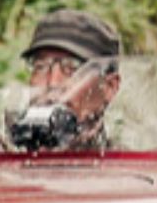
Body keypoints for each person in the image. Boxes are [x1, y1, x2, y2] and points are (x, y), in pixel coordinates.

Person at [17, 9, 123, 150]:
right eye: (40, 66)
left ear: (109, 87)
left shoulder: (127, 167)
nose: (53, 82)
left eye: (72, 67)